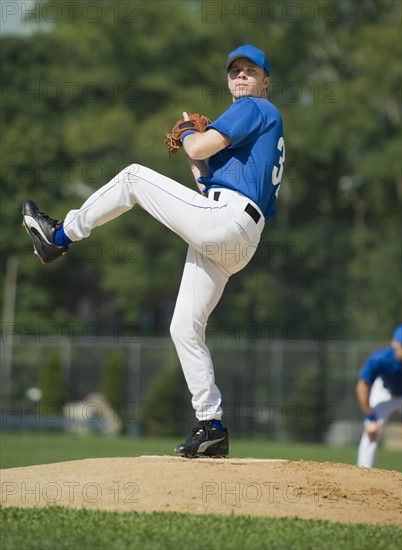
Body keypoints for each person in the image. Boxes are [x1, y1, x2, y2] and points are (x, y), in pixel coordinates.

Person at [22, 44, 285, 458]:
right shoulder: (254, 127)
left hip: (229, 221)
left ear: (265, 81)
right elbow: (204, 180)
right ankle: (212, 426)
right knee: (184, 328)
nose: (241, 77)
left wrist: (190, 138)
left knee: (131, 177)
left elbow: (199, 149)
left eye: (250, 71)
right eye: (234, 71)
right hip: (233, 233)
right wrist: (190, 142)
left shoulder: (254, 108)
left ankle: (59, 237)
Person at [356, 323, 402, 467]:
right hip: (384, 393)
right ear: (394, 343)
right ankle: (363, 475)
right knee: (371, 432)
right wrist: (370, 418)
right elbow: (362, 387)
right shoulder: (380, 359)